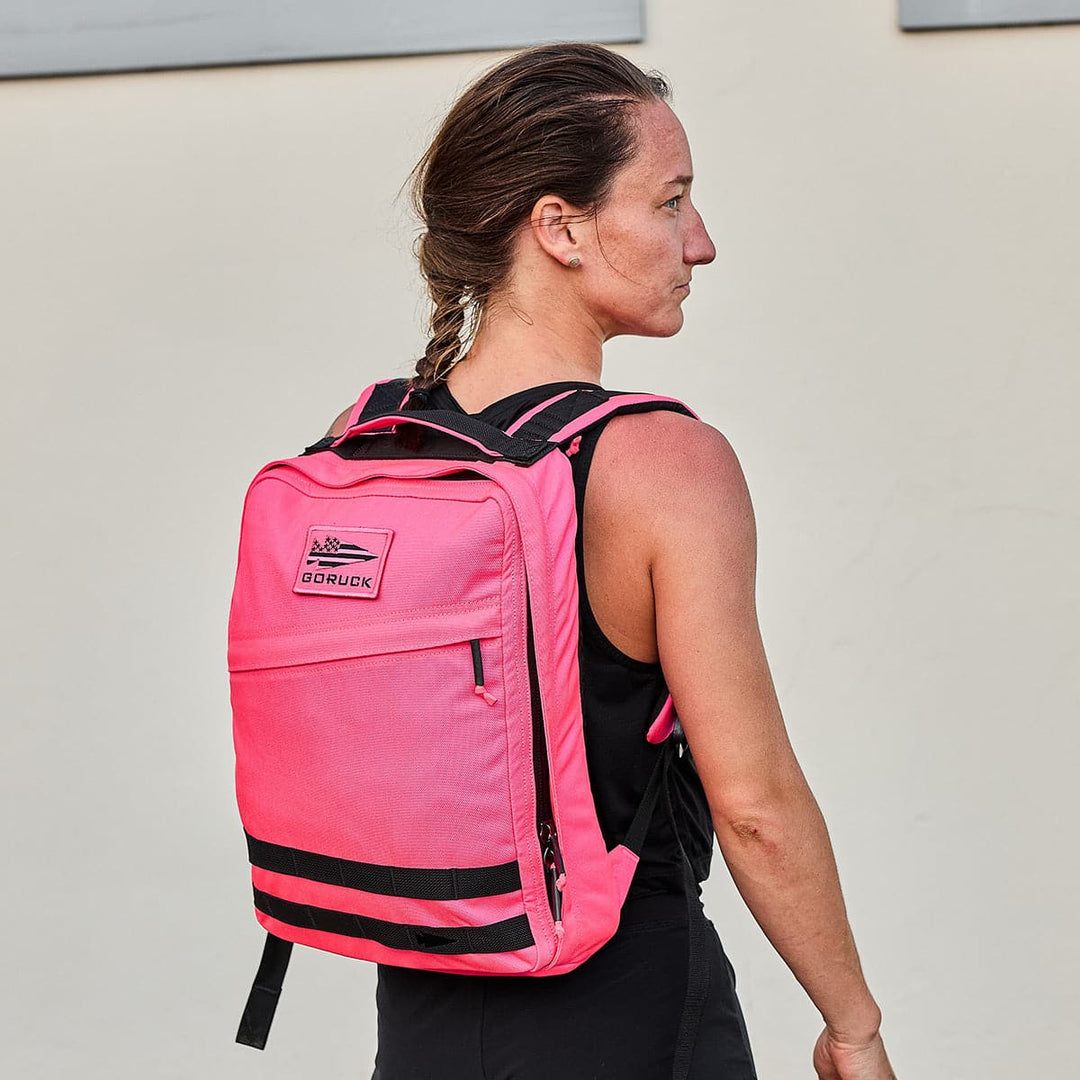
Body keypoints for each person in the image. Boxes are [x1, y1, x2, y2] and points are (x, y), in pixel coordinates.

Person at [328, 43, 896, 1080]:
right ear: (560, 228)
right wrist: (851, 1024)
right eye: (671, 201)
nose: (703, 242)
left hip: (421, 1020)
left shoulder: (367, 443)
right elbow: (753, 804)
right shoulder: (663, 463)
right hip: (628, 1012)